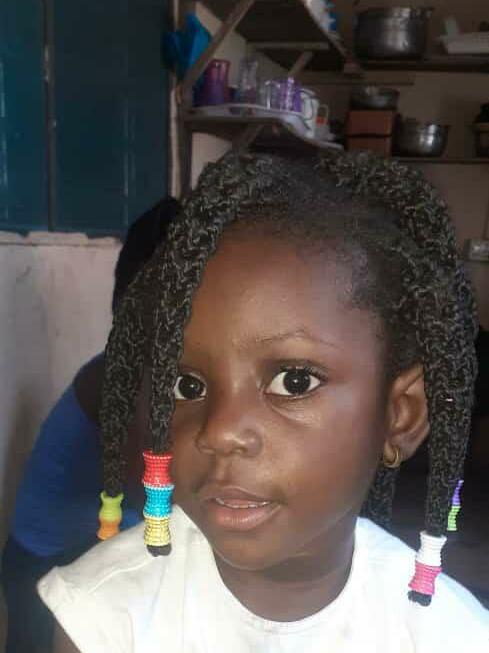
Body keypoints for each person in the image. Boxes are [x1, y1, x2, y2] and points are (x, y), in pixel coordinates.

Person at [39, 152, 489, 652]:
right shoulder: (101, 618)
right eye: (187, 386)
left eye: (294, 381)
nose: (219, 431)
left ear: (401, 415)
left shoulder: (452, 637)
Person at [1, 196, 179, 653]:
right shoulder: (120, 378)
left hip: (101, 547)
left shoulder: (166, 373)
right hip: (51, 564)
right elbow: (150, 497)